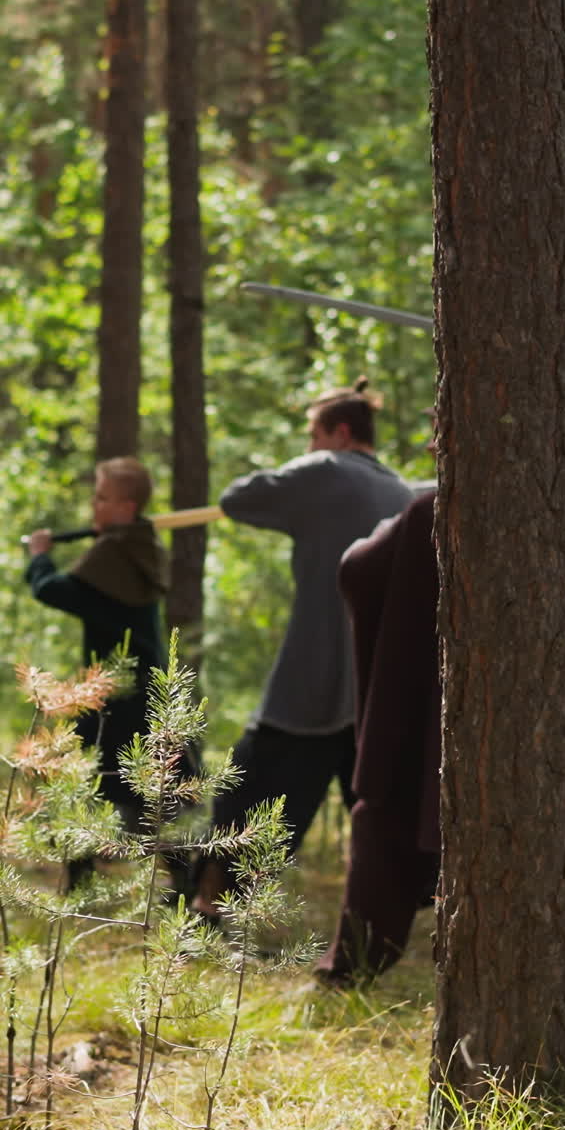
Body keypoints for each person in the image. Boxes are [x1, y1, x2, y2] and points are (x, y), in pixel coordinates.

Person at [315, 382, 565, 987]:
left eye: (440, 425)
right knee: (556, 823)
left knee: (388, 820)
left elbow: (356, 570)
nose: (432, 437)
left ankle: (351, 970)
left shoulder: (434, 513)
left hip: (433, 715)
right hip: (514, 713)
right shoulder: (537, 502)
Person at [191, 378, 414, 920]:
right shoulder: (403, 492)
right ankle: (390, 929)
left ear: (338, 433)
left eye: (312, 435)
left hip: (313, 681)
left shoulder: (322, 471)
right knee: (374, 813)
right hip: (376, 687)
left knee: (250, 791)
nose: (310, 447)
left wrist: (308, 474)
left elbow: (238, 497)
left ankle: (208, 907)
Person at [25, 456, 172, 884]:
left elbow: (51, 590)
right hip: (145, 686)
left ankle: (84, 881)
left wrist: (40, 556)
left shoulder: (114, 552)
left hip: (114, 691)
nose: (95, 505)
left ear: (127, 507)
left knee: (80, 779)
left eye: (102, 497)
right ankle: (177, 882)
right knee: (149, 787)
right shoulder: (141, 546)